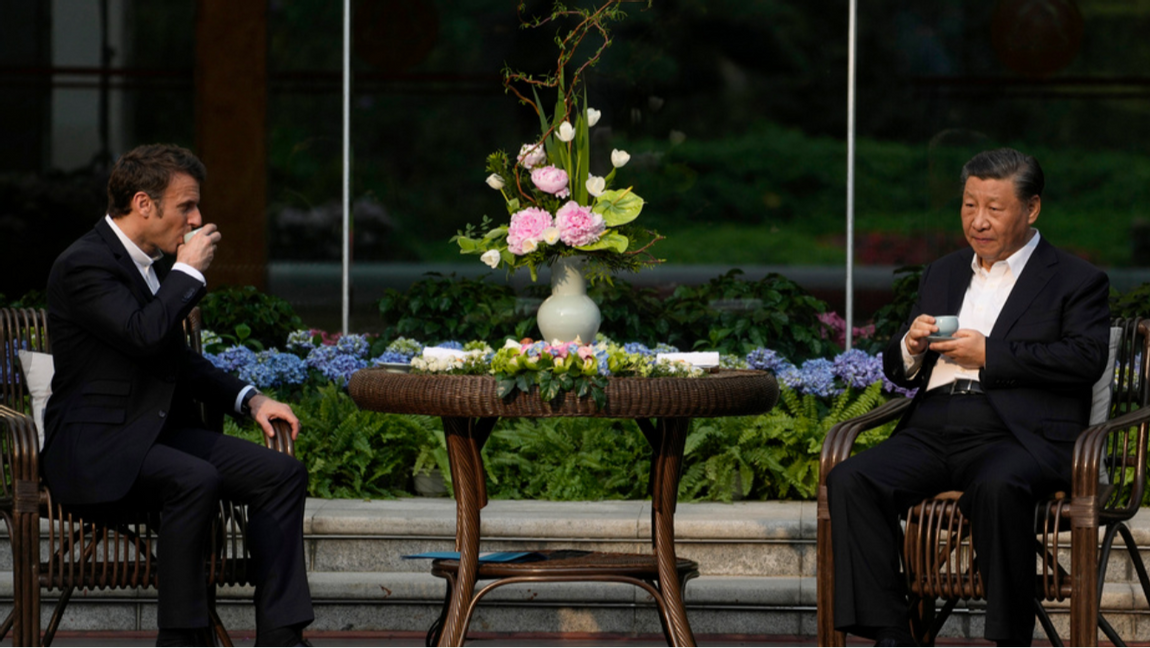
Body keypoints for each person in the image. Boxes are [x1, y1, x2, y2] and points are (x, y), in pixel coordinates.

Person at [826, 148, 1110, 648]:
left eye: (993, 208)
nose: (978, 221)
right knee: (852, 477)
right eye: (968, 206)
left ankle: (1007, 639)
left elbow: (1085, 359)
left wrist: (991, 354)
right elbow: (899, 370)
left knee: (998, 487)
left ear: (1032, 208)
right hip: (934, 425)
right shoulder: (944, 272)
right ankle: (892, 633)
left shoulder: (1075, 280)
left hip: (1015, 435)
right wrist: (910, 347)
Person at [42, 144, 316, 648]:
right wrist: (187, 271)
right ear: (144, 204)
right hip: (94, 447)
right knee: (194, 478)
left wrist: (250, 399)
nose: (197, 217)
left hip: (155, 437)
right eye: (186, 206)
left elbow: (176, 359)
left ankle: (281, 635)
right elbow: (143, 334)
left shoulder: (153, 265)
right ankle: (183, 637)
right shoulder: (83, 264)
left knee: (282, 474)